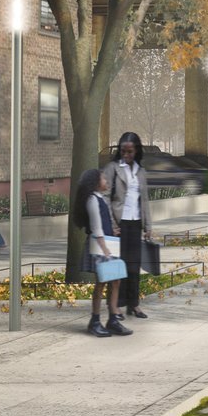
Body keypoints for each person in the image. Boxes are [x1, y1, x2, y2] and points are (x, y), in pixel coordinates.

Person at [104, 131, 155, 319]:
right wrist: (111, 224)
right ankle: (115, 305)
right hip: (119, 225)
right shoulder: (112, 168)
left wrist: (148, 226)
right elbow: (105, 198)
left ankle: (134, 304)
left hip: (135, 223)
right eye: (123, 151)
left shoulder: (140, 172)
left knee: (134, 266)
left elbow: (145, 200)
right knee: (117, 268)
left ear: (137, 151)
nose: (126, 155)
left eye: (130, 151)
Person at [73, 168, 130, 337]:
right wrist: (105, 249)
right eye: (103, 178)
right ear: (95, 183)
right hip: (100, 246)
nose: (106, 181)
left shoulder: (100, 198)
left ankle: (112, 319)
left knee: (115, 281)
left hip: (107, 243)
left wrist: (112, 231)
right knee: (102, 283)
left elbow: (103, 224)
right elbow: (97, 228)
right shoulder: (92, 200)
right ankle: (95, 320)